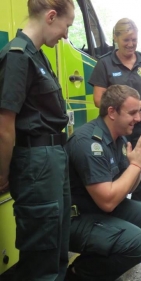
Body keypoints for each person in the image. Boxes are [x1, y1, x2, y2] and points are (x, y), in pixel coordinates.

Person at [0, 1, 74, 279]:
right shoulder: (18, 56)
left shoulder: (37, 54)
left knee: (57, 245)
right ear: (51, 17)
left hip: (52, 157)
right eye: (67, 26)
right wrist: (3, 172)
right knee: (42, 252)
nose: (66, 35)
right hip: (37, 161)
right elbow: (4, 125)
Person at [64, 84, 141, 281]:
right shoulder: (88, 143)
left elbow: (127, 188)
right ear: (112, 112)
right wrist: (136, 166)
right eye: (133, 112)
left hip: (99, 210)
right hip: (76, 218)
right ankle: (78, 274)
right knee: (138, 243)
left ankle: (94, 265)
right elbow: (108, 201)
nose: (139, 118)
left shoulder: (118, 138)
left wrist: (136, 166)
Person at [89, 18, 141, 205]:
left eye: (134, 40)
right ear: (116, 38)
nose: (131, 44)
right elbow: (98, 99)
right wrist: (126, 109)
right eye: (126, 40)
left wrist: (136, 107)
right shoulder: (104, 63)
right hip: (115, 131)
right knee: (116, 176)